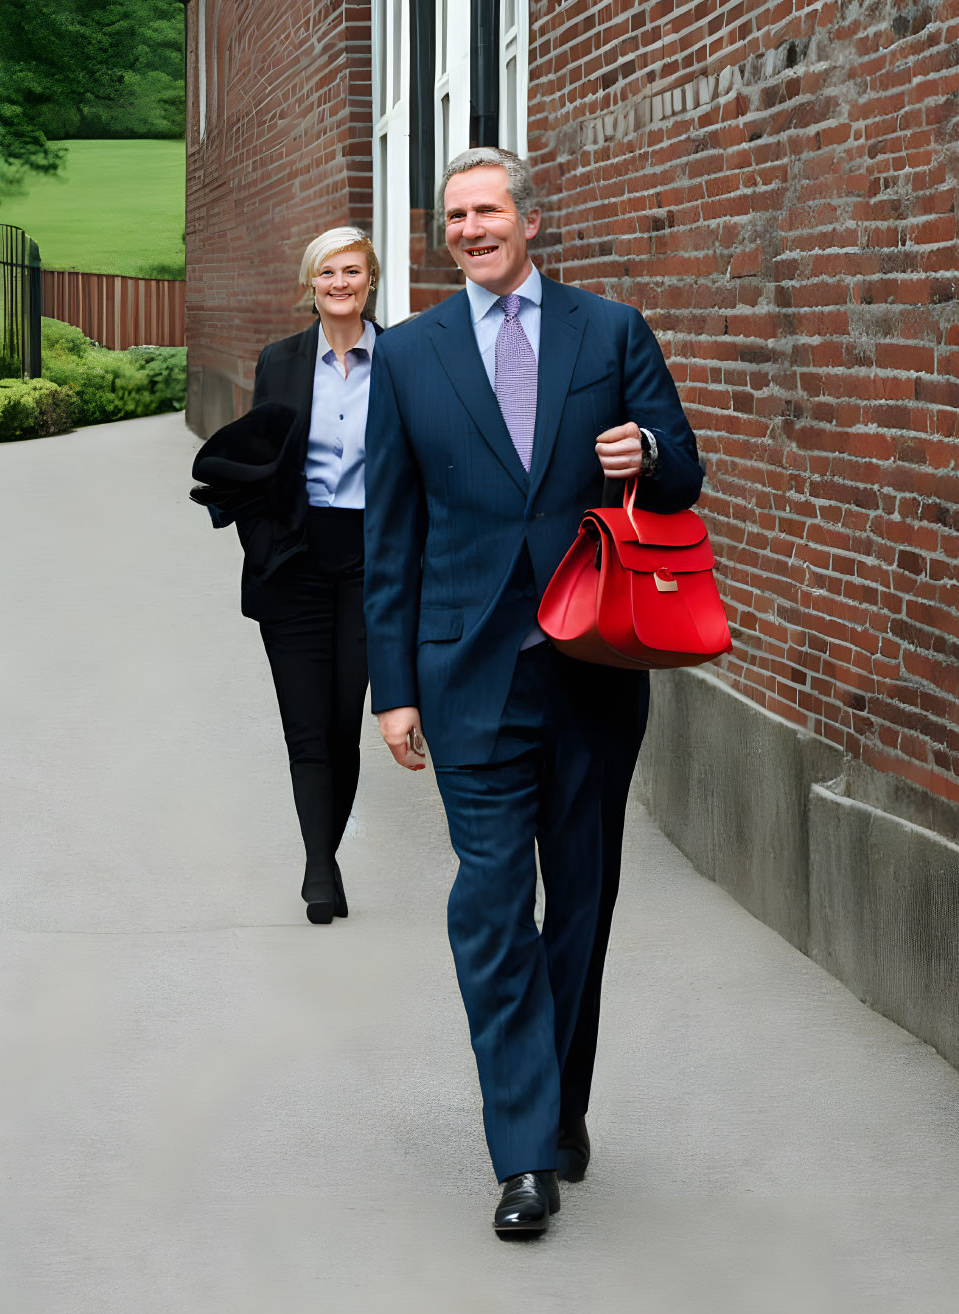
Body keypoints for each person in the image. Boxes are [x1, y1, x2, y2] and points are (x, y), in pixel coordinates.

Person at [363, 148, 703, 1237]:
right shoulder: (409, 355)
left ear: (531, 222)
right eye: (455, 215)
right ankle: (522, 1151)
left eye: (488, 209)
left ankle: (560, 1103)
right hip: (467, 669)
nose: (470, 227)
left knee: (583, 900)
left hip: (595, 661)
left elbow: (685, 468)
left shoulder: (610, 333)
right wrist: (393, 686)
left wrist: (645, 445)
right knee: (492, 902)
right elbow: (391, 531)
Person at [192, 227, 382, 924]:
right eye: (327, 271)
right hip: (294, 560)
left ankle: (321, 852)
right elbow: (254, 464)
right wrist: (267, 546)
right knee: (304, 723)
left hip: (368, 561)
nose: (339, 282)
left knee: (342, 721)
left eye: (352, 271)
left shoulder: (398, 361)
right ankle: (320, 868)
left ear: (370, 281)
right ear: (311, 283)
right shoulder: (280, 360)